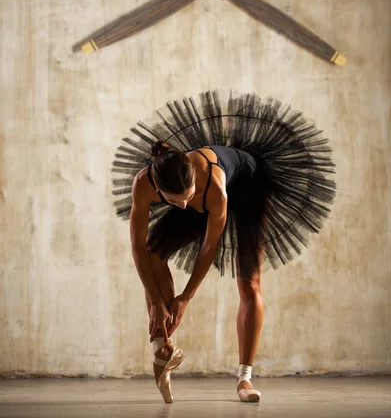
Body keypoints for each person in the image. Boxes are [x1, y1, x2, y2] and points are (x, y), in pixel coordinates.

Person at [112, 91, 336, 403]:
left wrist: (185, 298)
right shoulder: (143, 183)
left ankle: (245, 378)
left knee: (249, 281)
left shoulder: (214, 188)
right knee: (153, 251)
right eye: (178, 201)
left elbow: (209, 246)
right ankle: (162, 349)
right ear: (160, 190)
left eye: (189, 195)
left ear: (194, 181)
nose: (186, 204)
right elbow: (137, 248)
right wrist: (157, 301)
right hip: (199, 196)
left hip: (249, 189)